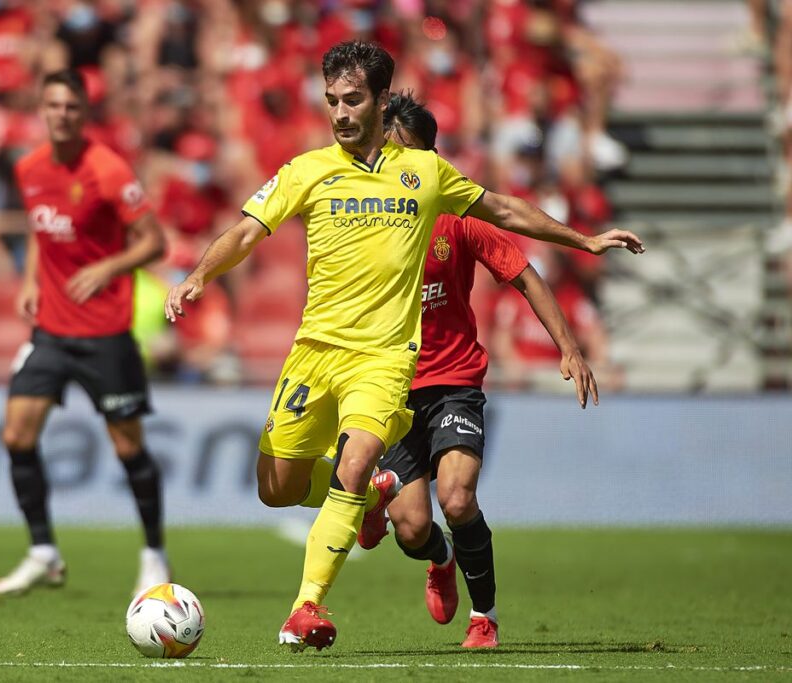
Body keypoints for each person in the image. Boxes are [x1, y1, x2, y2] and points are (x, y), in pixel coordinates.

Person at [165, 41, 642, 652]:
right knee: (276, 486)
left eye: (353, 100)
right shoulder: (307, 170)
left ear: (380, 100)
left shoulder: (425, 175)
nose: (339, 113)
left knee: (382, 466)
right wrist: (201, 274)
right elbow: (245, 231)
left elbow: (503, 210)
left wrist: (585, 240)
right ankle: (371, 496)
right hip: (315, 352)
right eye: (332, 100)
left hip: (389, 360)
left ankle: (306, 608)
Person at [355, 92, 602, 649]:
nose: (401, 168)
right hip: (391, 388)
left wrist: (569, 346)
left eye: (411, 156)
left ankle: (484, 616)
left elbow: (526, 274)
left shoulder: (458, 216)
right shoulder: (365, 221)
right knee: (415, 528)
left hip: (453, 383)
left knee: (458, 499)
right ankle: (439, 557)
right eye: (389, 155)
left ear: (432, 160)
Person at [0, 70, 169, 597]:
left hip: (105, 332)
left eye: (71, 107)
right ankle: (43, 551)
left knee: (128, 448)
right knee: (16, 435)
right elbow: (38, 233)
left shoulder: (108, 170)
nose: (61, 115)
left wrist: (109, 267)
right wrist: (28, 282)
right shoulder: (28, 168)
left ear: (84, 113)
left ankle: (154, 552)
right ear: (41, 109)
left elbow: (154, 243)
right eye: (53, 105)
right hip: (50, 329)